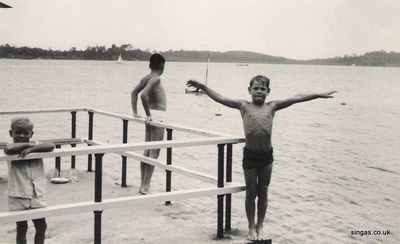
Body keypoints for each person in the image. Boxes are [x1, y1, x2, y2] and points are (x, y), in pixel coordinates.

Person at [187, 76, 335, 240]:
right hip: (250, 155)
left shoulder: (273, 106)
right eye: (256, 88)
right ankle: (251, 227)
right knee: (251, 192)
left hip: (266, 156)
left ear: (268, 91)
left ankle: (260, 226)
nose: (259, 91)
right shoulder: (243, 105)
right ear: (249, 90)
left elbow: (297, 98)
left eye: (262, 89)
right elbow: (220, 98)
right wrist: (202, 86)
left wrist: (319, 94)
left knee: (263, 192)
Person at [4, 117, 55, 244]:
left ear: (31, 134)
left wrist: (32, 149)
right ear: (11, 133)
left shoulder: (37, 146)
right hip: (18, 194)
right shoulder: (11, 147)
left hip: (36, 194)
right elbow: (9, 150)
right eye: (18, 132)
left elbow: (51, 145)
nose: (22, 135)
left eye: (26, 133)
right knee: (22, 228)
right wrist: (29, 144)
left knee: (41, 226)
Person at [131, 53, 167, 194]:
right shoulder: (156, 79)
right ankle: (146, 186)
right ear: (162, 65)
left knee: (147, 150)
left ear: (149, 65)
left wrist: (135, 112)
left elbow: (133, 93)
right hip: (157, 116)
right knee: (154, 152)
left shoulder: (146, 78)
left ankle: (143, 184)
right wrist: (148, 115)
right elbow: (143, 95)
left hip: (152, 116)